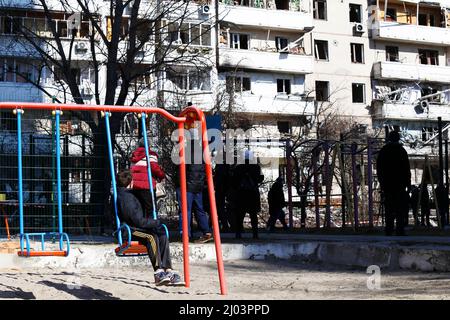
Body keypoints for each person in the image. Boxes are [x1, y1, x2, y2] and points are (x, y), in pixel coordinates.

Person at [116, 170, 184, 286]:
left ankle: (168, 269)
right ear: (131, 182)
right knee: (151, 237)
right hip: (130, 230)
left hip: (137, 227)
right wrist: (156, 222)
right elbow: (138, 221)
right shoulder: (126, 198)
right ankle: (158, 271)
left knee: (162, 235)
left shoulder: (130, 194)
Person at [175, 139, 213, 243]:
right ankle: (206, 232)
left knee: (185, 211)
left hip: (187, 187)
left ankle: (185, 233)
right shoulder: (203, 156)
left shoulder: (185, 153)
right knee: (200, 209)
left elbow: (180, 168)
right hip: (198, 187)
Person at [376, 131, 411, 236]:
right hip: (400, 184)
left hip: (388, 184)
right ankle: (400, 229)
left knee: (389, 208)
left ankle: (389, 228)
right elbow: (406, 169)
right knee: (400, 208)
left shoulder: (384, 151)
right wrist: (408, 184)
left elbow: (379, 168)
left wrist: (382, 182)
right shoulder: (401, 151)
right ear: (398, 138)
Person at [231, 150, 264, 239]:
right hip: (252, 194)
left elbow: (233, 181)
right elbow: (261, 179)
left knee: (240, 215)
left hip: (241, 194)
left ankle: (238, 233)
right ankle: (255, 234)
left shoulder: (239, 168)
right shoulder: (256, 167)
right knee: (253, 215)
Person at [130, 138, 165, 217]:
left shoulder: (134, 155)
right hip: (147, 185)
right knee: (150, 208)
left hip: (135, 186)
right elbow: (155, 169)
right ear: (149, 145)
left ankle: (140, 227)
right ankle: (151, 226)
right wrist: (162, 176)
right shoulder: (150, 155)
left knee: (139, 208)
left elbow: (131, 170)